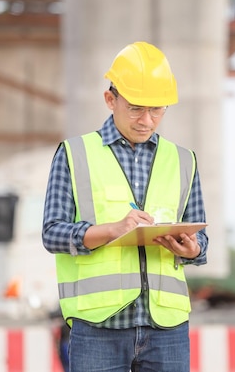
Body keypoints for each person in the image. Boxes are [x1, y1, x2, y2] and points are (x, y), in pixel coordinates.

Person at [42, 41, 208, 372]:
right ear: (110, 99)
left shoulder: (183, 160)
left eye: (157, 110)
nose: (146, 120)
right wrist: (111, 230)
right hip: (99, 326)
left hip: (167, 327)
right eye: (135, 108)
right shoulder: (75, 154)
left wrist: (191, 248)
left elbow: (201, 243)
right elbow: (52, 234)